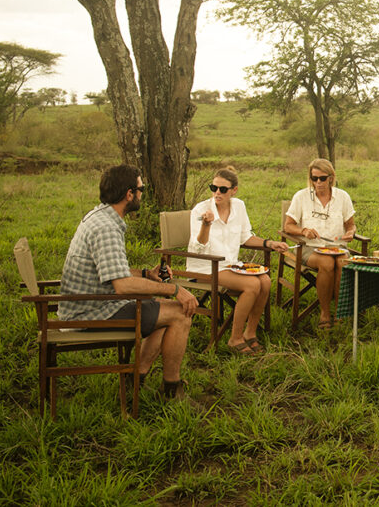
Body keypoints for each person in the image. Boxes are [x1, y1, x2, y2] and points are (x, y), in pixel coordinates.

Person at [60, 164, 198, 399]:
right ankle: (171, 389)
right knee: (180, 313)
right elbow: (122, 285)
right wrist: (175, 290)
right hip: (90, 313)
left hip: (90, 304)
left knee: (159, 307)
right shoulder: (106, 228)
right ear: (129, 194)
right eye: (141, 189)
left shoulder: (100, 217)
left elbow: (112, 271)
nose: (143, 194)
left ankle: (137, 378)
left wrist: (146, 274)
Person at [187, 166, 288, 355]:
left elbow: (245, 237)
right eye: (213, 188)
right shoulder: (201, 210)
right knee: (252, 285)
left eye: (223, 189)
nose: (217, 193)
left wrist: (270, 243)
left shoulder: (239, 206)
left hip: (229, 265)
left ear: (234, 190)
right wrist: (206, 225)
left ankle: (250, 332)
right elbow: (198, 248)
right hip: (206, 266)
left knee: (265, 281)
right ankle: (234, 338)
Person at [283, 158, 357, 330]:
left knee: (342, 262)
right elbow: (288, 226)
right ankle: (324, 312)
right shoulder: (301, 196)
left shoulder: (343, 197)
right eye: (314, 178)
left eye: (322, 178)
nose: (318, 182)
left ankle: (339, 311)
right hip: (310, 248)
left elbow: (351, 224)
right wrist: (304, 231)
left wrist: (350, 232)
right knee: (327, 263)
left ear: (331, 178)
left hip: (338, 247)